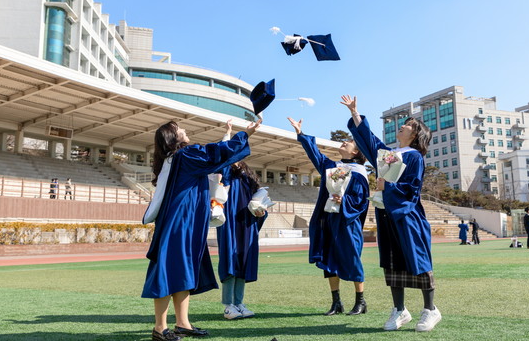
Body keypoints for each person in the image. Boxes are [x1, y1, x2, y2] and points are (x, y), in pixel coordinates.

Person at [142, 119, 260, 341]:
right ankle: (159, 328)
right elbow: (214, 153)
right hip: (180, 222)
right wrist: (245, 135)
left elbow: (214, 158)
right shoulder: (185, 154)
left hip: (186, 221)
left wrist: (229, 136)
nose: (185, 130)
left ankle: (183, 323)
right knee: (168, 271)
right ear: (172, 138)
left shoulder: (175, 159)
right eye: (180, 129)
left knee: (183, 270)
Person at [343, 95, 441, 333]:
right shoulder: (391, 154)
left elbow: (412, 189)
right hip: (387, 215)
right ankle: (400, 310)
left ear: (416, 134)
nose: (403, 125)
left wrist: (387, 187)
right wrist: (355, 113)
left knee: (417, 259)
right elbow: (370, 142)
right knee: (392, 261)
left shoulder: (414, 156)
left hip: (407, 216)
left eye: (408, 124)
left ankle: (430, 309)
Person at [287, 117, 370, 316]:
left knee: (352, 259)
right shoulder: (334, 167)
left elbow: (361, 202)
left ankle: (361, 302)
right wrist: (300, 133)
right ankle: (336, 303)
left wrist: (345, 202)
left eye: (348, 142)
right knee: (329, 259)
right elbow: (316, 155)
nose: (344, 142)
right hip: (329, 220)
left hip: (348, 222)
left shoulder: (359, 173)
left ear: (356, 151)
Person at [217, 119, 268, 320]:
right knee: (230, 260)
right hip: (229, 221)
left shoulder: (248, 174)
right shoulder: (226, 171)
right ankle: (228, 304)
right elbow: (223, 155)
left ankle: (239, 302)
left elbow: (259, 197)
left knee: (242, 261)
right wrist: (228, 134)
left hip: (247, 223)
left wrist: (262, 210)